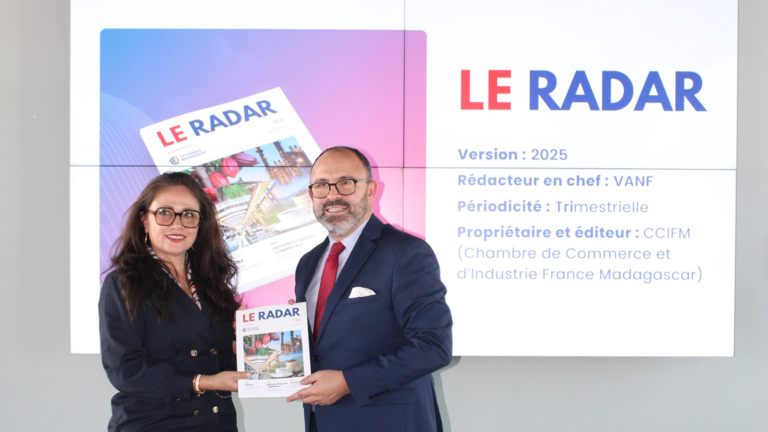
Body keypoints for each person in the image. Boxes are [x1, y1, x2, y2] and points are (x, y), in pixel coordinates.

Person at [286, 147, 453, 432]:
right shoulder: (308, 263)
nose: (332, 195)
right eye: (322, 185)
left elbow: (434, 346)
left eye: (346, 182)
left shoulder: (406, 252)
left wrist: (348, 382)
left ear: (371, 190)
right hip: (322, 421)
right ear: (311, 195)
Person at [99, 172, 250, 432]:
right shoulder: (123, 283)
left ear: (200, 223)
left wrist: (242, 341)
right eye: (165, 213)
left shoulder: (211, 282)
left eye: (188, 215)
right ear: (145, 220)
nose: (177, 224)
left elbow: (222, 366)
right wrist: (202, 382)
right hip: (153, 425)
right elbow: (125, 371)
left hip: (217, 424)